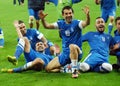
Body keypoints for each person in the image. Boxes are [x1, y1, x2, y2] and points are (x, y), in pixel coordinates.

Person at [39, 6, 90, 78]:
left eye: (70, 13)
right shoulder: (60, 24)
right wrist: (43, 19)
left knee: (72, 46)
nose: (69, 15)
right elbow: (47, 26)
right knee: (48, 68)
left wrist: (87, 15)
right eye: (66, 14)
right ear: (63, 15)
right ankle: (65, 69)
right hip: (65, 54)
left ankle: (74, 71)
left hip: (77, 52)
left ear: (73, 14)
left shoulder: (77, 23)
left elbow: (86, 23)